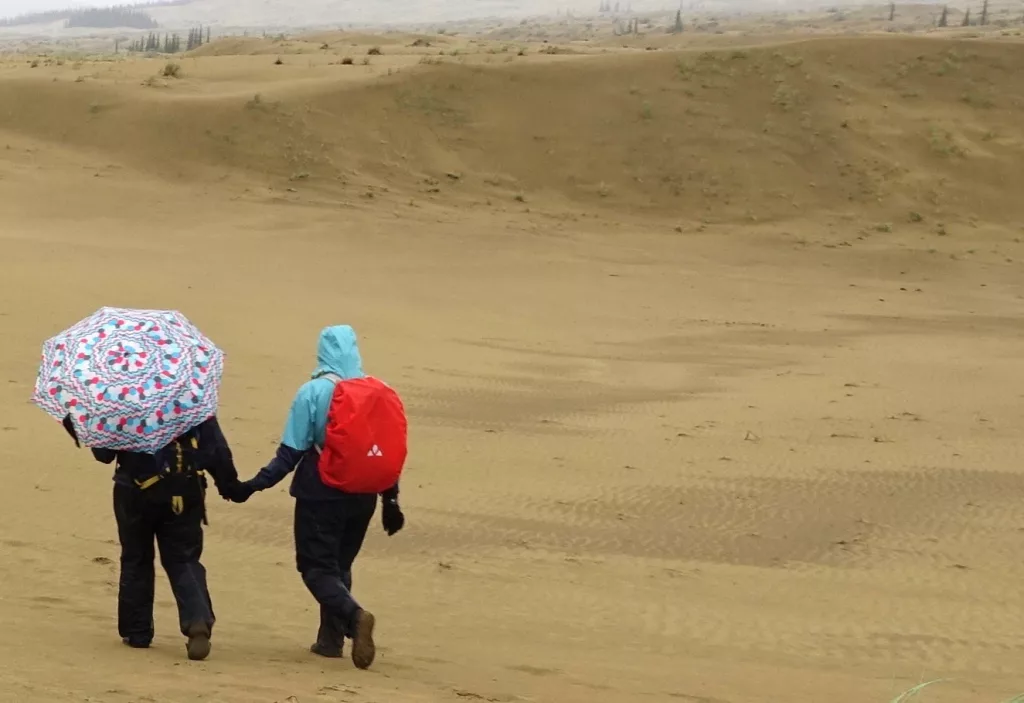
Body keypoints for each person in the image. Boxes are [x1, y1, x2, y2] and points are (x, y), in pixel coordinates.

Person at [235, 325, 405, 670]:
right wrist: (391, 500)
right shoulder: (378, 391)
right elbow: (385, 451)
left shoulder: (312, 392)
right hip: (364, 495)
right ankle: (329, 642)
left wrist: (253, 485)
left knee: (315, 568)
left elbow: (290, 453)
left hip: (321, 492)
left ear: (322, 353)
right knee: (340, 565)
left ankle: (355, 617)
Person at [63, 413, 247, 661]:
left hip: (134, 490)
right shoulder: (192, 401)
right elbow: (216, 451)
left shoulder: (123, 400)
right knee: (184, 559)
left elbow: (103, 454)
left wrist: (78, 426)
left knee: (136, 558)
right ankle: (197, 621)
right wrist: (230, 486)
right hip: (185, 490)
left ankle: (137, 631)